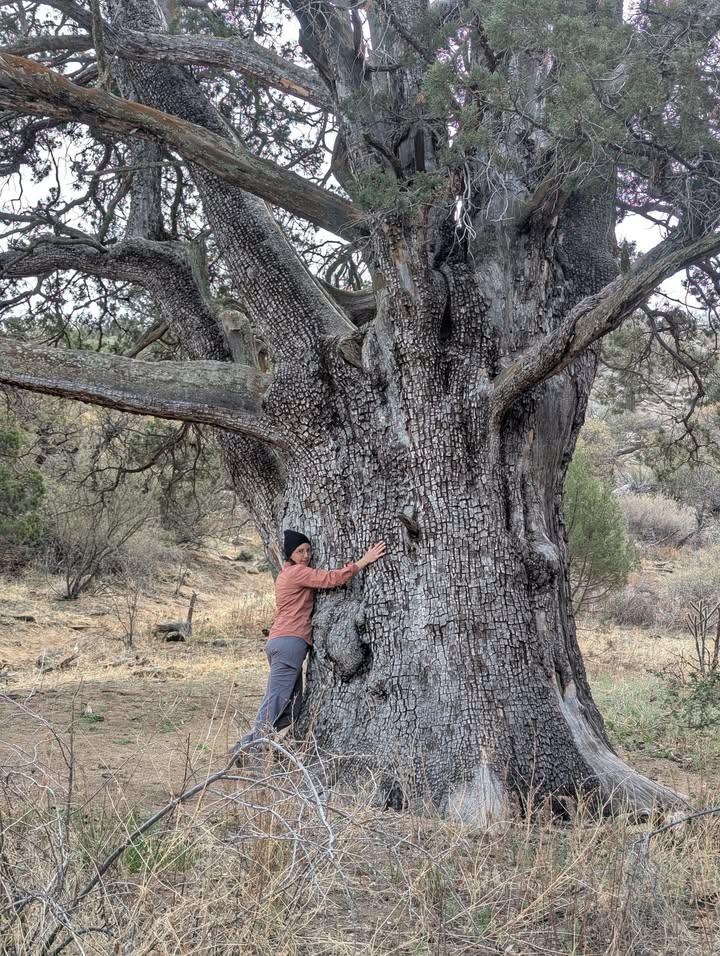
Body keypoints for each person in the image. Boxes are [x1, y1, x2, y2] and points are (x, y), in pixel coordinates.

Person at [232, 529, 386, 757]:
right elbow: (332, 579)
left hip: (282, 641)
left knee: (293, 708)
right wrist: (364, 560)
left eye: (308, 550)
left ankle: (244, 746)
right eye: (299, 551)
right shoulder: (296, 573)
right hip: (289, 643)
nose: (306, 555)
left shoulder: (289, 574)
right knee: (276, 699)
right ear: (289, 555)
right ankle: (254, 754)